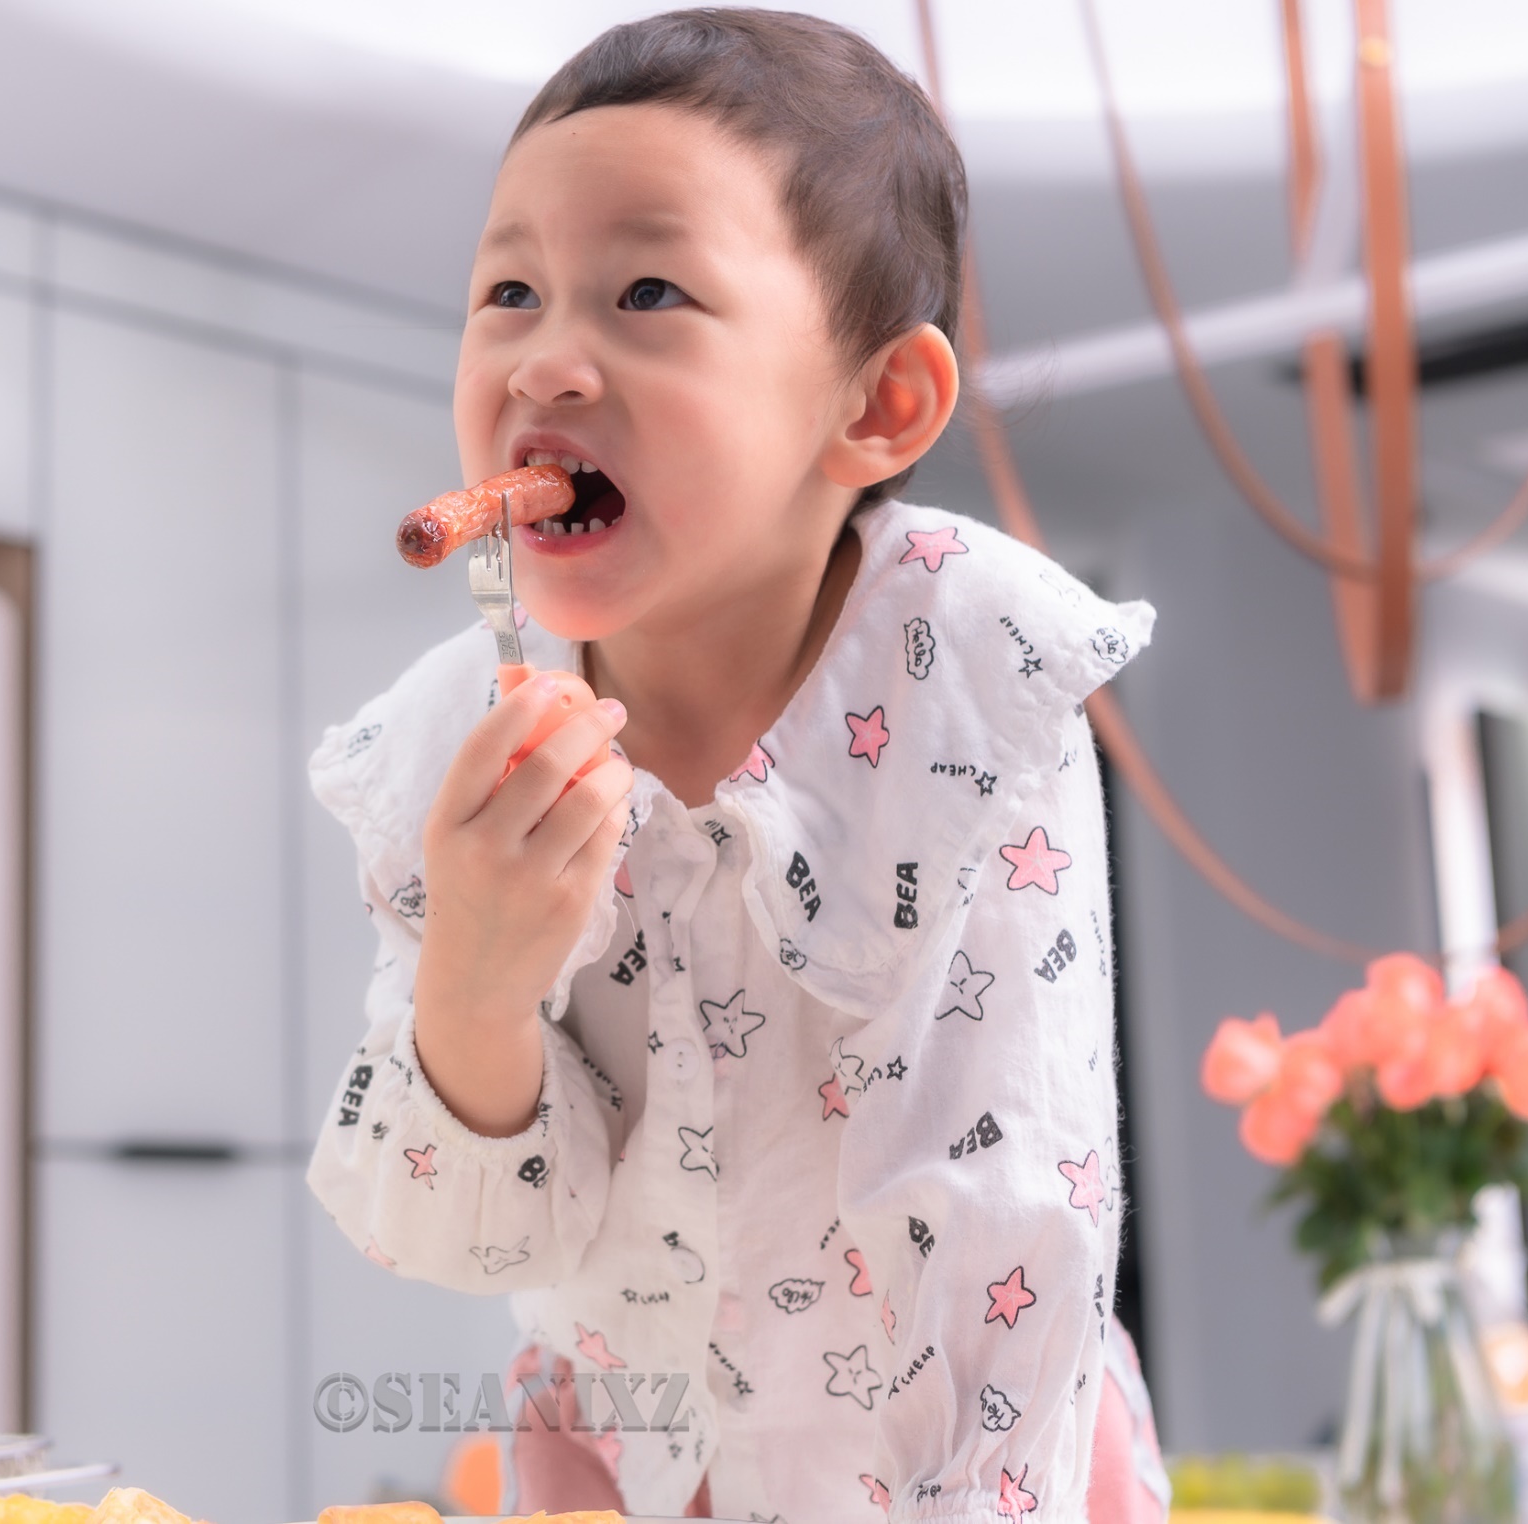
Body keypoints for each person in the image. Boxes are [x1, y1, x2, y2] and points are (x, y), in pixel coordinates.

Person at [307, 12, 1169, 1523]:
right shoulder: (446, 738)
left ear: (876, 405)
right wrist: (476, 984)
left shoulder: (966, 673)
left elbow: (1004, 1212)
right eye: (507, 291)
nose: (544, 360)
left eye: (649, 291)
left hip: (953, 1473)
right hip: (627, 1473)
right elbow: (456, 1240)